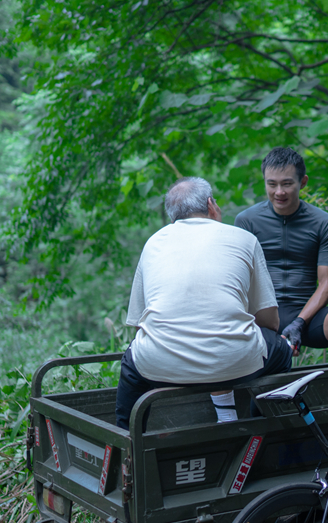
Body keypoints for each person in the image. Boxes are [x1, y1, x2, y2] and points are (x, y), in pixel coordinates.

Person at [114, 177, 292, 430]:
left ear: (172, 215)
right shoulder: (243, 238)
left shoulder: (153, 243)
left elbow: (138, 322)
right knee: (281, 351)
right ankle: (256, 431)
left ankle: (126, 441)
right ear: (211, 204)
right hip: (235, 361)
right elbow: (269, 322)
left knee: (132, 365)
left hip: (158, 365)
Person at [235, 148, 328, 365]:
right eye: (272, 184)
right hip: (262, 317)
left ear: (303, 182)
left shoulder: (323, 222)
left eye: (287, 183)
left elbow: (326, 283)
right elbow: (239, 279)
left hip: (307, 315)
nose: (279, 191)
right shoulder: (247, 221)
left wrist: (299, 323)